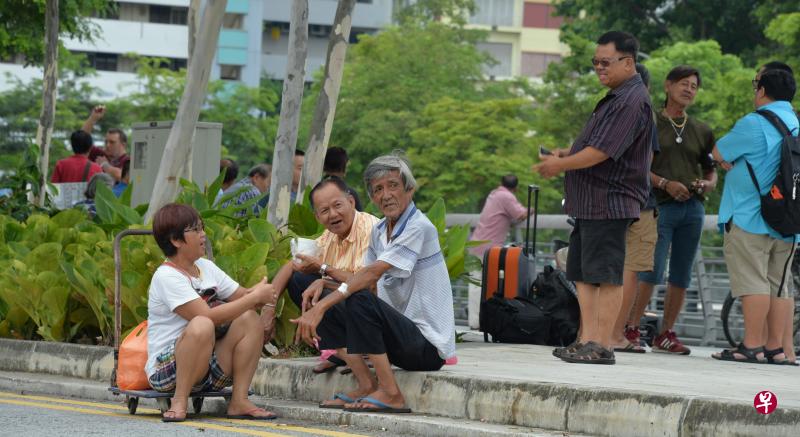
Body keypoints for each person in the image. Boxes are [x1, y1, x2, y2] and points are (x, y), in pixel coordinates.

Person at [292, 154, 456, 412]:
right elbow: (367, 285)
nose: (386, 194)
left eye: (393, 185)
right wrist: (323, 287)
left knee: (355, 299)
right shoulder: (380, 231)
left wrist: (320, 307)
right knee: (312, 286)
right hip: (398, 339)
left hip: (426, 347)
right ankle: (367, 385)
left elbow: (369, 276)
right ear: (371, 197)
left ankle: (392, 394)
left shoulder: (418, 227)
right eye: (378, 189)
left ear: (409, 189)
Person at [533, 31, 653, 365]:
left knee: (606, 275)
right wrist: (563, 153)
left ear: (628, 62)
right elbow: (591, 146)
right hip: (589, 202)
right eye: (595, 62)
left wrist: (560, 164)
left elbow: (601, 152)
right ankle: (586, 338)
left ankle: (602, 344)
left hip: (609, 201)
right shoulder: (616, 97)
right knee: (582, 273)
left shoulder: (631, 100)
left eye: (606, 62)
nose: (599, 68)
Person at [146, 203, 277, 422]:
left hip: (207, 367)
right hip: (167, 372)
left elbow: (242, 297)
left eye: (202, 228)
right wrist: (254, 298)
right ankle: (179, 400)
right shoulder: (166, 276)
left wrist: (261, 291)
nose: (203, 235)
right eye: (195, 230)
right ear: (176, 240)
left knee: (248, 318)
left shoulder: (205, 266)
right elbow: (207, 316)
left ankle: (239, 400)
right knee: (202, 324)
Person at [623, 65, 716, 356]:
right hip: (658, 207)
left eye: (694, 86)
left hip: (693, 209)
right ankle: (631, 328)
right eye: (683, 84)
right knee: (649, 270)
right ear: (667, 86)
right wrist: (665, 183)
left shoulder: (701, 129)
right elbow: (637, 166)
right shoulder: (650, 121)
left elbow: (712, 170)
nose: (689, 89)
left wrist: (707, 184)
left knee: (681, 275)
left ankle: (665, 333)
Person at [711, 62, 799, 365]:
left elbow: (719, 152)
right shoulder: (797, 124)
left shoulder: (754, 123)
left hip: (750, 215)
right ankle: (775, 348)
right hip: (788, 220)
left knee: (753, 282)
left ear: (761, 90)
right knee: (779, 284)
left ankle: (751, 345)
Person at [260, 176, 379, 373]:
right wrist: (269, 308)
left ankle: (362, 351)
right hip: (355, 307)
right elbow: (292, 265)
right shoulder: (330, 235)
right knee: (299, 279)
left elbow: (367, 283)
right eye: (325, 210)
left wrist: (324, 271)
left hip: (378, 312)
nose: (333, 214)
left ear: (351, 202)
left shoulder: (369, 229)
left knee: (318, 285)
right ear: (317, 216)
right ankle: (345, 352)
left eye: (337, 205)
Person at [609, 63, 661, 354]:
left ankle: (594, 332)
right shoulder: (644, 112)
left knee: (606, 269)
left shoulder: (609, 110)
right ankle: (616, 334)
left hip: (608, 201)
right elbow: (646, 164)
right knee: (630, 270)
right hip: (639, 202)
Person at [469, 174, 532, 258]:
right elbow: (521, 215)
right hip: (488, 249)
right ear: (516, 188)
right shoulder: (506, 196)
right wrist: (532, 210)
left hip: (477, 243)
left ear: (500, 184)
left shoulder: (494, 194)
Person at [82, 105, 129, 182]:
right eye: (106, 141)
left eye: (112, 142)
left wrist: (104, 165)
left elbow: (121, 176)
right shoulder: (101, 155)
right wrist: (93, 118)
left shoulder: (128, 161)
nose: (107, 145)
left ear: (123, 145)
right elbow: (83, 139)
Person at [323, 146, 363, 211]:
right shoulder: (349, 193)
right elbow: (361, 219)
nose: (349, 163)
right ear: (343, 164)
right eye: (347, 162)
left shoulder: (315, 190)